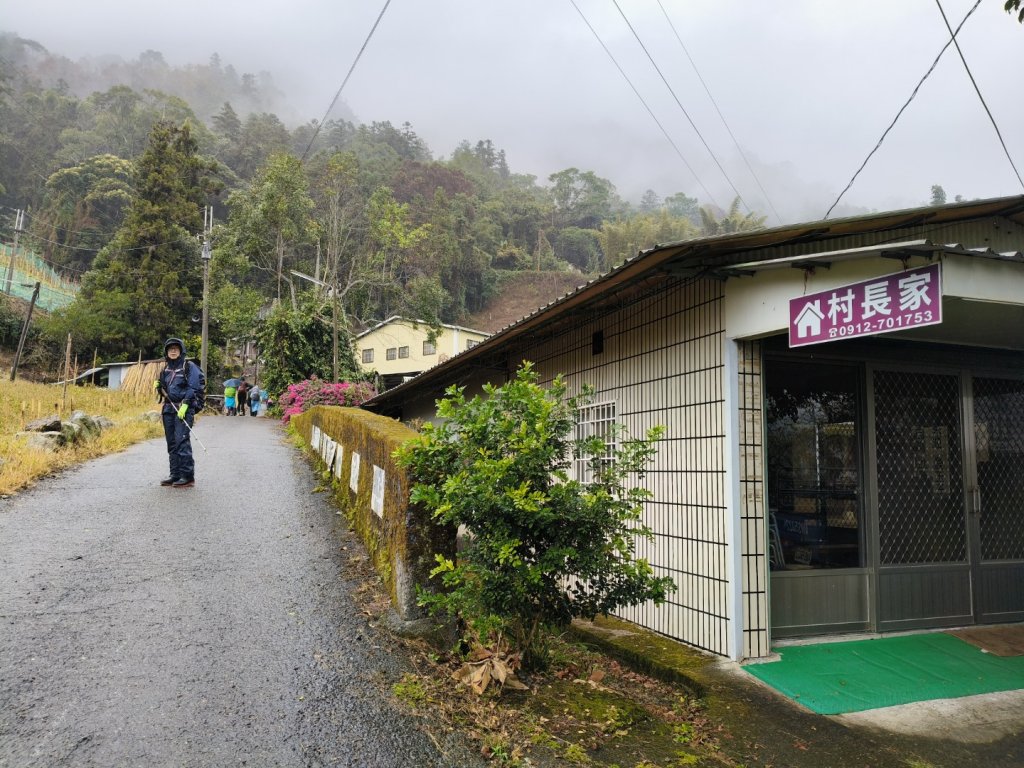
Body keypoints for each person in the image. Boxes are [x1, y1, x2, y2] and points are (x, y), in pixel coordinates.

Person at [154, 338, 202, 488]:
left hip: (183, 409)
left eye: (176, 348)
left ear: (181, 350)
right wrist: (159, 387)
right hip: (168, 409)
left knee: (181, 441)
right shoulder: (165, 370)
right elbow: (165, 390)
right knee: (172, 443)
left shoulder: (189, 367)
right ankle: (175, 474)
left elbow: (193, 387)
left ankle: (187, 476)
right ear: (166, 352)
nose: (173, 351)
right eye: (170, 349)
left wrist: (186, 404)